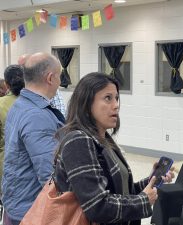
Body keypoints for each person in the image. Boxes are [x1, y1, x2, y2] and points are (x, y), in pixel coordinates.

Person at [54, 72, 174, 225]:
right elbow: (97, 207)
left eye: (116, 98)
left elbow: (121, 192)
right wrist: (143, 201)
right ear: (86, 103)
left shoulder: (103, 139)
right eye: (107, 98)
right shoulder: (78, 141)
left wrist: (150, 182)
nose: (116, 105)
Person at [2, 53, 64, 225]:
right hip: (31, 210)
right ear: (50, 78)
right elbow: (49, 176)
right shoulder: (37, 116)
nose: (60, 82)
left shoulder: (20, 105)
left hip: (17, 201)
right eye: (59, 76)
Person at [0, 65, 25, 192]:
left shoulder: (1, 104)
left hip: (5, 167)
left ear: (6, 83)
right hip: (28, 172)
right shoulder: (37, 103)